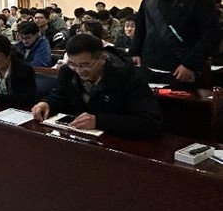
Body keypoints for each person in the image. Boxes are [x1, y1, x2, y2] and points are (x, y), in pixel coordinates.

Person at [32, 34, 162, 139]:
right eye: (73, 64)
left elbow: (151, 122)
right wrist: (48, 104)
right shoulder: (68, 71)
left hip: (118, 142)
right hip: (79, 138)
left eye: (85, 65)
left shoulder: (128, 77)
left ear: (102, 59)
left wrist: (99, 121)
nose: (79, 71)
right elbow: (61, 97)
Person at [131, 0, 220, 88]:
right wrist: (135, 52)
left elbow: (210, 34)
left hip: (183, 69)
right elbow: (141, 26)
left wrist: (190, 64)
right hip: (150, 66)